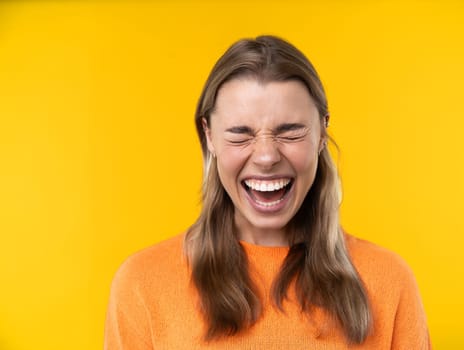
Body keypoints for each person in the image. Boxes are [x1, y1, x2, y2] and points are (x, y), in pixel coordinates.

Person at [104, 35, 431, 349]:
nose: (266, 156)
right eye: (240, 134)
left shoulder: (389, 282)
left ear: (321, 133)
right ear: (209, 137)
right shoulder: (141, 284)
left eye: (290, 132)